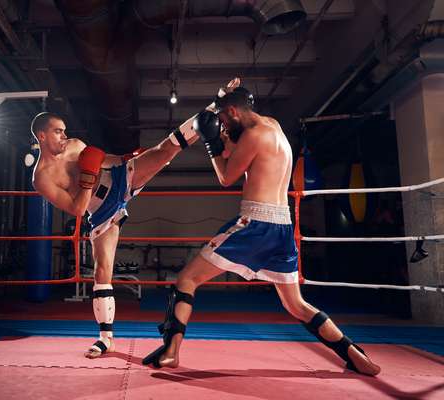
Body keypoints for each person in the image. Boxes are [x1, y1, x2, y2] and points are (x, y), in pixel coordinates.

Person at [142, 79, 381, 376]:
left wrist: (211, 143)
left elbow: (226, 177)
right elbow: (235, 143)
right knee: (296, 304)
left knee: (187, 279)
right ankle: (353, 353)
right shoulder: (272, 126)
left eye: (224, 118)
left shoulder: (254, 136)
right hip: (282, 227)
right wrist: (221, 104)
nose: (223, 124)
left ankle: (172, 351)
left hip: (256, 225)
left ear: (233, 111)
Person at [30, 101, 211, 358]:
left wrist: (126, 159)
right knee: (102, 272)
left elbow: (103, 160)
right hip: (101, 212)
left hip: (118, 180)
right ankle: (106, 340)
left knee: (164, 151)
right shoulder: (42, 178)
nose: (64, 135)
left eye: (64, 130)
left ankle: (213, 109)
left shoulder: (74, 145)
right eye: (58, 131)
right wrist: (87, 178)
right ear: (42, 136)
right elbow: (78, 209)